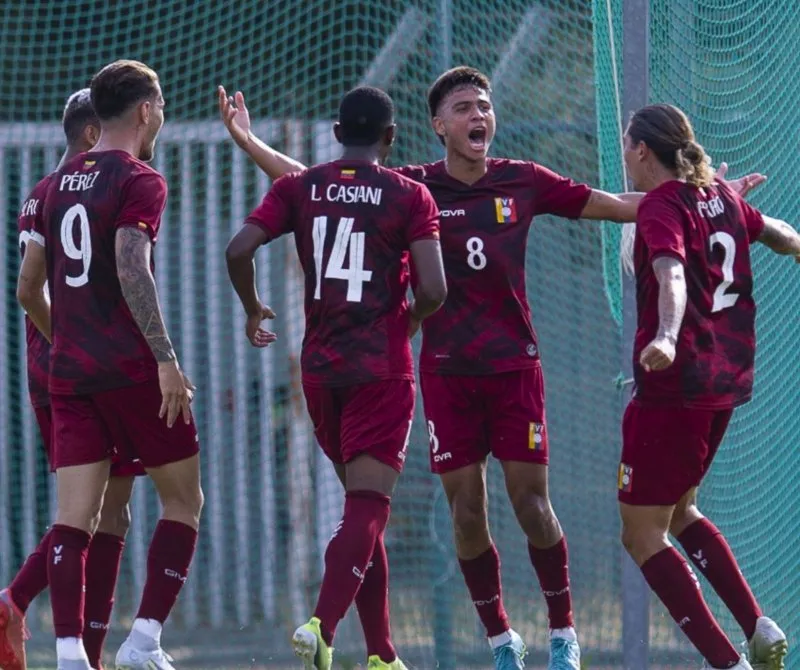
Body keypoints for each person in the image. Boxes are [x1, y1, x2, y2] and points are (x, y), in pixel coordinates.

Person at [217, 67, 762, 670]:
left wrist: (701, 199)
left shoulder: (523, 181)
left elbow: (613, 205)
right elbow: (317, 187)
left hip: (514, 371)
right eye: (463, 107)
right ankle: (502, 640)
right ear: (438, 125)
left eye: (484, 105)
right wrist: (249, 142)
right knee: (468, 514)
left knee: (533, 508)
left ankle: (563, 635)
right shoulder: (414, 187)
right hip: (446, 376)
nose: (479, 115)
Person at [225, 85, 446, 670]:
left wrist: (252, 307)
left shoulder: (303, 188)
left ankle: (382, 654)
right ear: (392, 138)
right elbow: (435, 289)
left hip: (320, 372)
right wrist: (411, 322)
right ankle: (322, 625)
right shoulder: (411, 195)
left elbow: (238, 248)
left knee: (361, 509)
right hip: (380, 368)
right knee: (370, 506)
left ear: (335, 135)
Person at [17, 60, 203, 670]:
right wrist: (166, 359)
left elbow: (27, 288)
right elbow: (131, 265)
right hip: (129, 370)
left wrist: (68, 338)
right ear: (146, 110)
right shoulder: (140, 178)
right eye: (163, 107)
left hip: (68, 374)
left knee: (76, 519)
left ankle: (71, 654)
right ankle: (144, 639)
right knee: (184, 502)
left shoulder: (49, 187)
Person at [619, 103, 797, 670]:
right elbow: (785, 238)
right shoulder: (717, 195)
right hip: (726, 382)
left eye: (626, 144)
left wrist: (667, 336)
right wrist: (737, 203)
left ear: (642, 150)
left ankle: (728, 663)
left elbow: (670, 273)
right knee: (680, 512)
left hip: (675, 386)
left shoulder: (661, 206)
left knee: (641, 534)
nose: (624, 154)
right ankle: (757, 626)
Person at [1, 88, 145, 670]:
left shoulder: (41, 195)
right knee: (99, 512)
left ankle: (78, 644)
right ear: (93, 135)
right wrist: (80, 343)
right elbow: (32, 291)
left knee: (101, 511)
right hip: (86, 369)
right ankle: (56, 631)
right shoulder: (103, 188)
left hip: (50, 370)